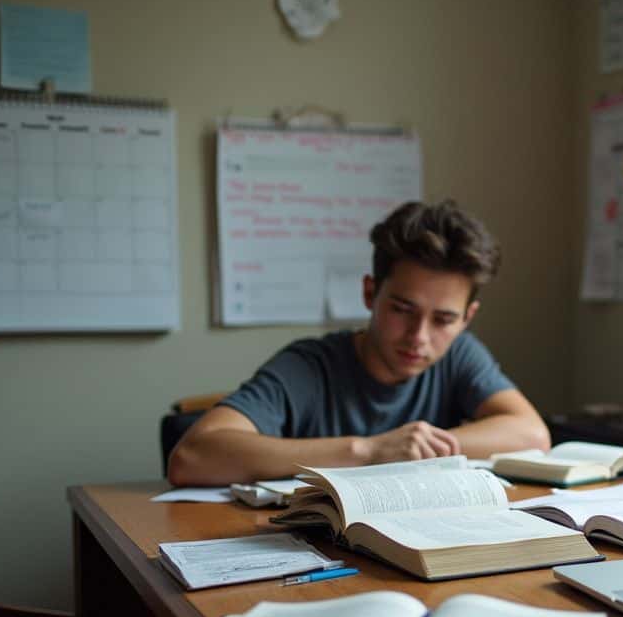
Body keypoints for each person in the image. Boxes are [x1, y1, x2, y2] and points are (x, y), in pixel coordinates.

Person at [167, 200, 549, 485]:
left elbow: (532, 434)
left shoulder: (460, 355)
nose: (419, 337)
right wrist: (369, 451)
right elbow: (191, 456)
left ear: (467, 318)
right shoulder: (308, 367)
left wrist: (419, 447)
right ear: (370, 293)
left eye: (444, 320)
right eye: (402, 309)